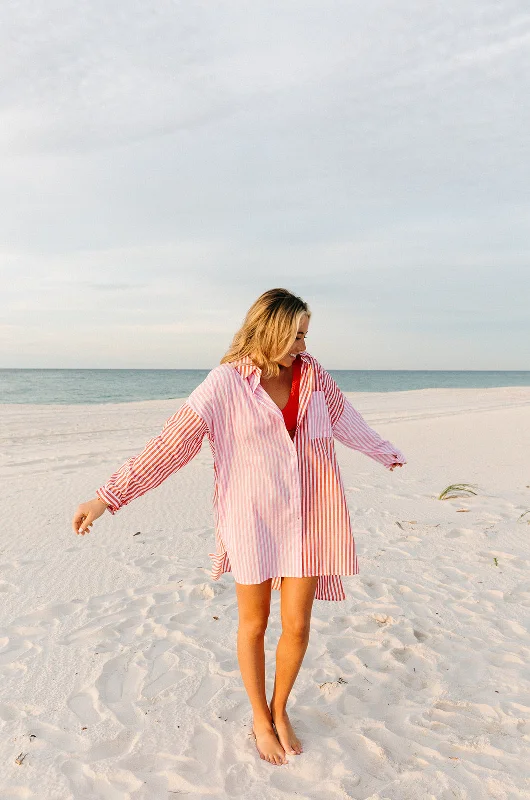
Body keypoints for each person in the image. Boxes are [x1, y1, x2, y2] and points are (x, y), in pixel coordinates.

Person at [72, 287, 406, 766]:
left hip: (310, 515)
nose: (303, 347)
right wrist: (107, 497)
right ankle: (258, 716)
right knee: (254, 623)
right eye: (295, 336)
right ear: (269, 331)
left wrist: (382, 450)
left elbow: (345, 419)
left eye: (306, 335)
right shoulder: (224, 384)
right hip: (251, 521)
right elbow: (169, 446)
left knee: (298, 624)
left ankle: (280, 707)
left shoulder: (313, 377)